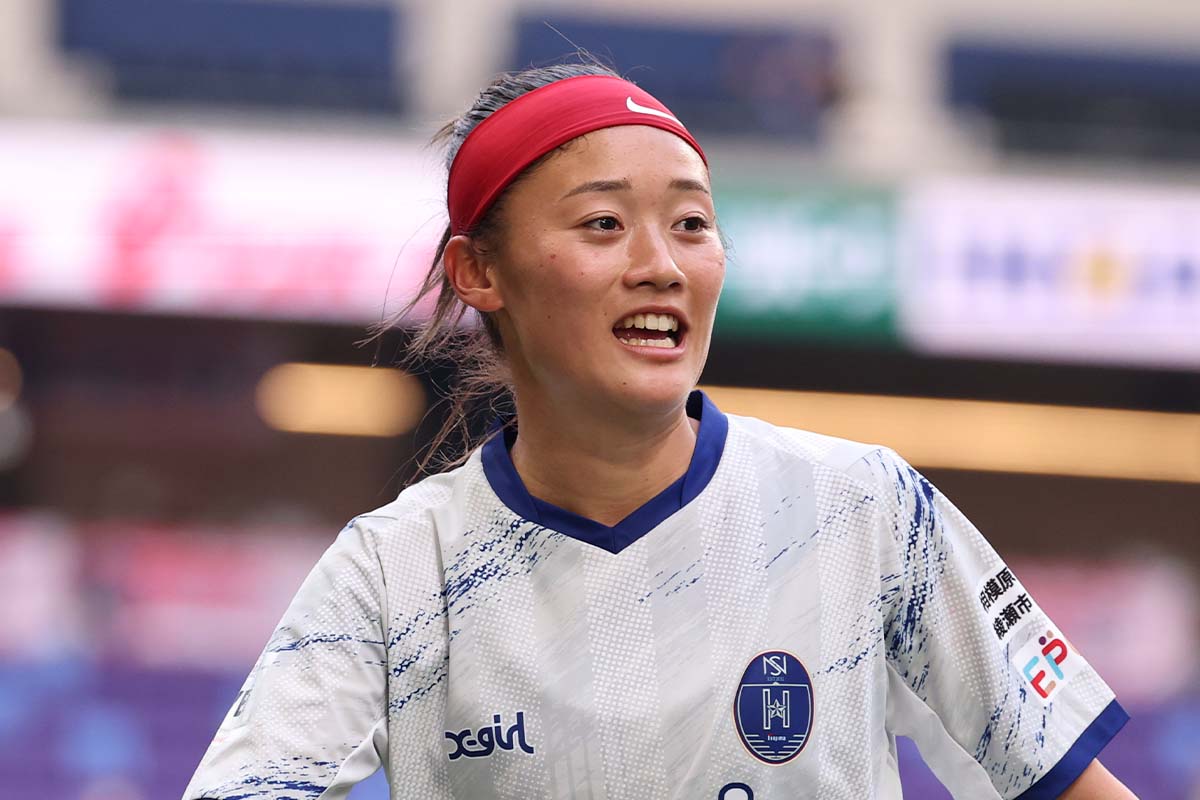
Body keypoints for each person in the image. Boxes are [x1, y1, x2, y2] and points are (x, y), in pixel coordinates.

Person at [183, 63, 1136, 800]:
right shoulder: (394, 569)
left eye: (691, 224)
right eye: (603, 224)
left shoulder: (867, 509)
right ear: (479, 272)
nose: (661, 265)